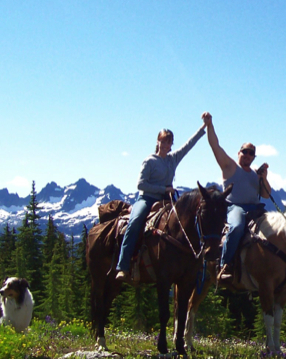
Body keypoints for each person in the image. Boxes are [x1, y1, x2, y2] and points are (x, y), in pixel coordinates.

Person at [115, 115, 208, 282]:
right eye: (163, 141)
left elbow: (188, 145)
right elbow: (141, 185)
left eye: (168, 142)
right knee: (135, 221)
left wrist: (203, 128)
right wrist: (163, 189)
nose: (165, 145)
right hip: (147, 199)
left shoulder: (173, 159)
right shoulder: (149, 161)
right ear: (157, 142)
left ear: (171, 145)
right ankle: (123, 265)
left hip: (167, 201)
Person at [202, 112, 271, 282]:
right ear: (239, 153)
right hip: (235, 207)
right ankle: (225, 264)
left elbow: (266, 195)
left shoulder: (256, 174)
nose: (247, 155)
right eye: (245, 152)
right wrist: (210, 125)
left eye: (251, 153)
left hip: (255, 209)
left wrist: (264, 177)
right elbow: (215, 146)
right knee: (237, 226)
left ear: (253, 157)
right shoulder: (230, 166)